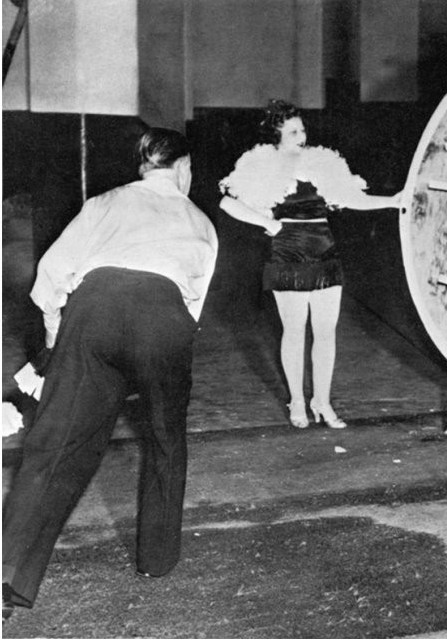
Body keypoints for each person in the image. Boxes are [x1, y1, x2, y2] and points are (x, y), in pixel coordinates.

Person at [2, 128, 219, 619]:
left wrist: (58, 341)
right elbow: (194, 310)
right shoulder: (202, 223)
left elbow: (50, 276)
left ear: (144, 166)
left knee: (54, 446)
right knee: (165, 441)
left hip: (93, 309)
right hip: (164, 318)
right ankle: (156, 561)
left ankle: (6, 577)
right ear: (183, 168)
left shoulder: (104, 203)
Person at [219, 100, 401, 429]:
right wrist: (269, 223)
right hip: (288, 253)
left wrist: (392, 201)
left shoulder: (322, 161)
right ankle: (298, 401)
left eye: (302, 130)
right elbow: (227, 202)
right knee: (294, 331)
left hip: (324, 251)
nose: (301, 137)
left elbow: (351, 198)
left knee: (326, 332)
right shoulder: (262, 164)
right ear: (276, 135)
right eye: (292, 132)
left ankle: (322, 401)